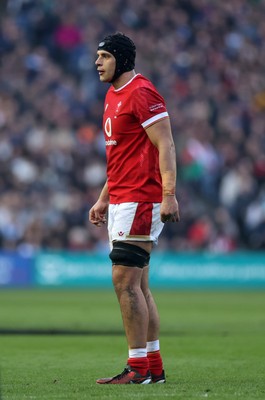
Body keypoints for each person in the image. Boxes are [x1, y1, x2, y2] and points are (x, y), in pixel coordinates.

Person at [89, 32, 180, 384]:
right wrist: (103, 197)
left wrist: (169, 193)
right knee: (138, 285)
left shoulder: (142, 92)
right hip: (123, 197)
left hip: (142, 198)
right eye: (97, 56)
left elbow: (166, 143)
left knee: (124, 282)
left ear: (121, 59)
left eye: (104, 56)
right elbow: (122, 157)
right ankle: (152, 367)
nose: (97, 62)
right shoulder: (113, 97)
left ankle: (137, 368)